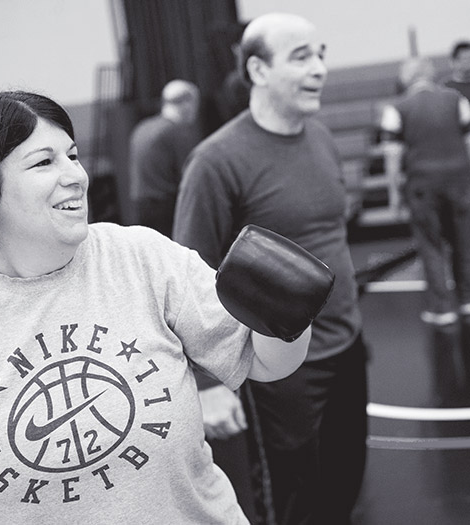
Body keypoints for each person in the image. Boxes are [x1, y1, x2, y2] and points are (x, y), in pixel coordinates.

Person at [0, 90, 339, 525]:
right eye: (44, 162)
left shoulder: (138, 256)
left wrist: (285, 317)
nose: (75, 175)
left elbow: (268, 364)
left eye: (73, 154)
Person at [173, 13, 368, 525]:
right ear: (257, 69)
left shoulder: (321, 136)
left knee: (346, 481)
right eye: (301, 57)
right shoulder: (215, 161)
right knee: (295, 498)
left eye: (320, 53)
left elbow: (330, 237)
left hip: (346, 347)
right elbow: (188, 276)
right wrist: (209, 382)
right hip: (277, 370)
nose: (320, 69)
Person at [380, 57, 470, 326]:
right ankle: (467, 299)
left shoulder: (396, 108)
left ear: (406, 79)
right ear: (431, 75)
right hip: (459, 181)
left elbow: (392, 156)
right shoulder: (457, 100)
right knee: (464, 240)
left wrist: (394, 195)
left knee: (431, 245)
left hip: (422, 185)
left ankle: (442, 308)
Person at [128, 79, 202, 236]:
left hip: (140, 206)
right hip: (167, 208)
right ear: (187, 103)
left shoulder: (142, 128)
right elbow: (190, 177)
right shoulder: (176, 132)